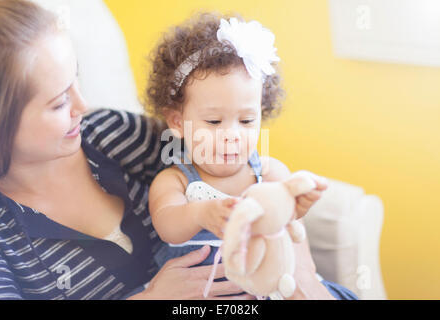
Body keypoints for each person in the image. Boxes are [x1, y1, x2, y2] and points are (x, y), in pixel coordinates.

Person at [0, 0, 354, 300]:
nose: (83, 106)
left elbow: (211, 136)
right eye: (58, 102)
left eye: (76, 81)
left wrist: (298, 262)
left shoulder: (108, 133)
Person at [145, 13, 358, 300]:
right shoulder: (175, 182)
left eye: (246, 121)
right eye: (214, 121)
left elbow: (287, 225)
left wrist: (298, 206)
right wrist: (200, 212)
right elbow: (168, 226)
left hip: (274, 289)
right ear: (178, 122)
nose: (232, 134)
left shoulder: (270, 173)